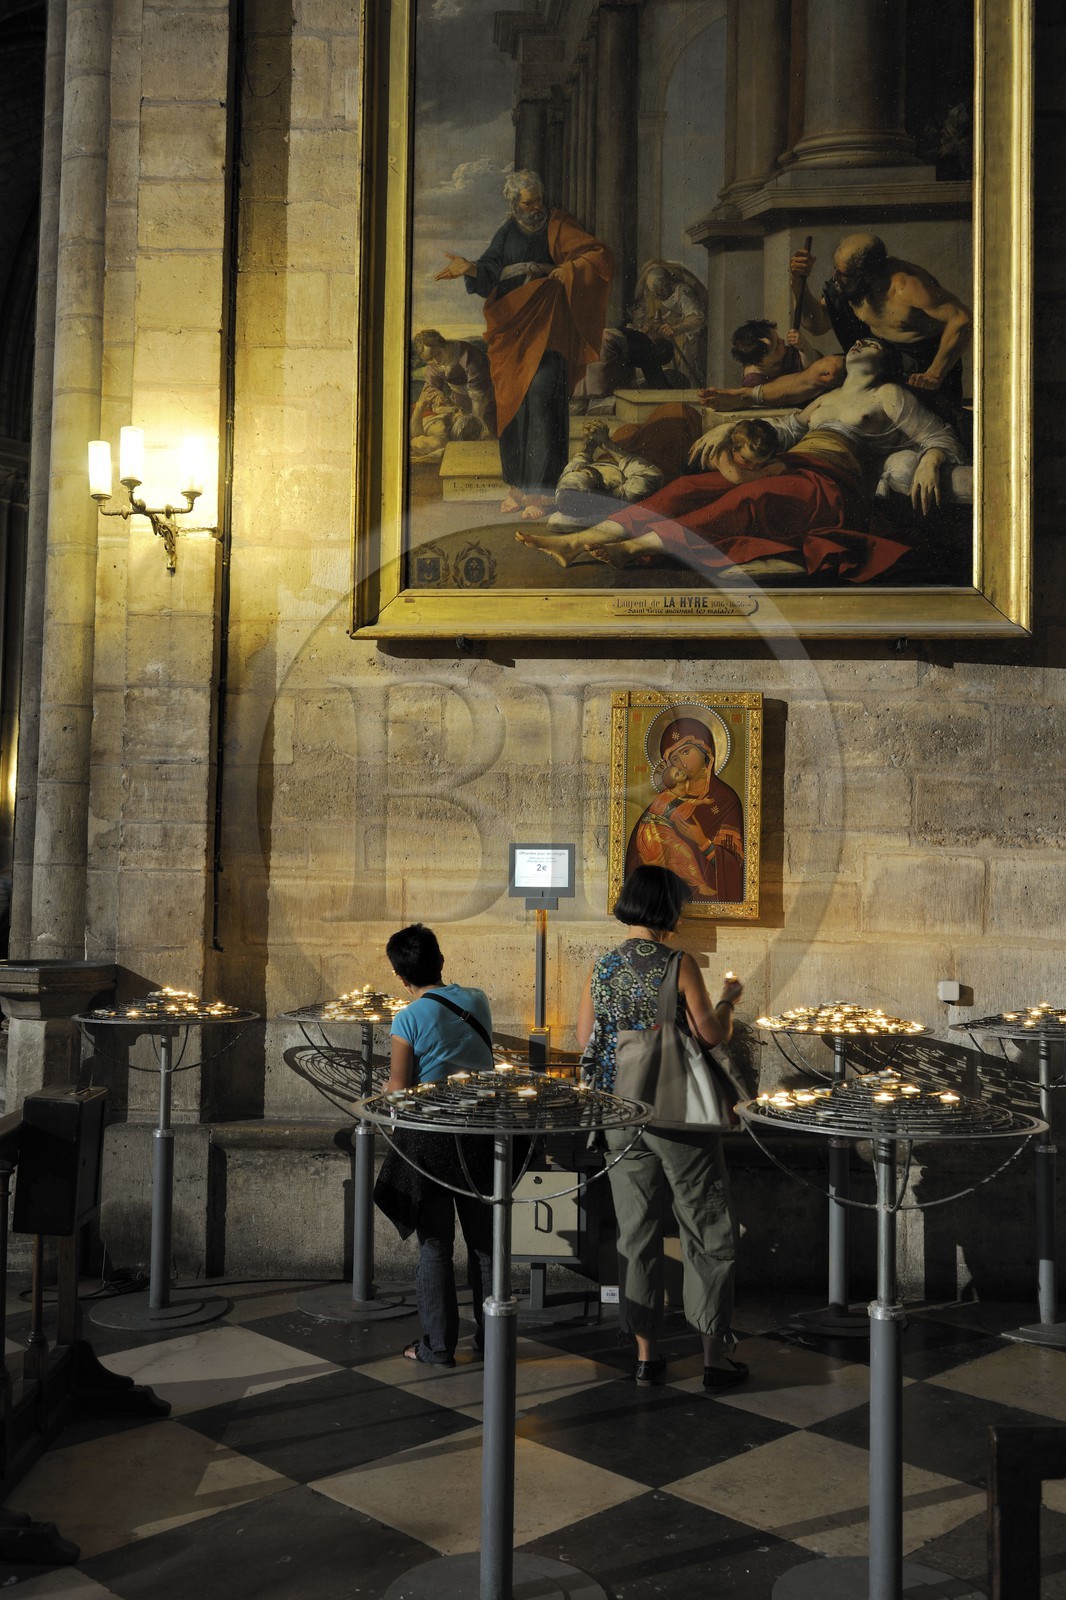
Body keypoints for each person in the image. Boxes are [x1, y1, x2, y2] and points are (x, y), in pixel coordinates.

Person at [516, 338, 969, 583]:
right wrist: (727, 429)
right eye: (855, 342)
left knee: (743, 502)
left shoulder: (888, 394)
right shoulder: (826, 398)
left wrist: (931, 459)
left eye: (870, 343)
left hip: (830, 485)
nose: (858, 343)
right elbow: (783, 430)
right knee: (686, 489)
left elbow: (939, 435)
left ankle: (633, 548)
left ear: (884, 360)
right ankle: (581, 541)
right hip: (791, 466)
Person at [576, 865, 746, 1388]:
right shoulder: (679, 962)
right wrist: (728, 1000)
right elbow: (711, 1036)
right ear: (667, 908)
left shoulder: (601, 966)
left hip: (620, 1116)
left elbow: (586, 1038)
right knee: (707, 1228)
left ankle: (647, 1356)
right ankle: (714, 1359)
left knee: (637, 1234)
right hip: (677, 1115)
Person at [434, 170, 612, 514]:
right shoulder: (506, 232)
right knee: (512, 404)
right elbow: (489, 270)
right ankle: (517, 486)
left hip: (549, 326)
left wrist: (570, 269)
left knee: (544, 397)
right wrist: (469, 268)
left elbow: (598, 256)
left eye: (539, 200)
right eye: (529, 202)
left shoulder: (558, 225)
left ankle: (542, 492)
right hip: (512, 328)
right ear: (515, 204)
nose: (536, 208)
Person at [378, 923, 494, 1367]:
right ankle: (493, 1337)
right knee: (484, 1244)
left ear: (400, 977)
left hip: (431, 1141)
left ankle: (438, 1345)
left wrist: (384, 1089)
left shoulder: (407, 1018)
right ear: (442, 961)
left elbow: (400, 1087)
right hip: (480, 1136)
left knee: (435, 1244)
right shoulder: (477, 1000)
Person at [789, 232, 972, 424]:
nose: (835, 277)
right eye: (836, 269)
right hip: (879, 359)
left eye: (843, 274)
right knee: (827, 370)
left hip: (918, 369)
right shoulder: (846, 287)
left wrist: (935, 372)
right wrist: (798, 283)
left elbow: (961, 319)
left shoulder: (907, 285)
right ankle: (755, 395)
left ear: (867, 275)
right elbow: (816, 325)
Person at [625, 718, 745, 901]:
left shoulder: (725, 800)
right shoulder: (664, 801)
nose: (681, 762)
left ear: (705, 749)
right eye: (674, 759)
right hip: (665, 903)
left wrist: (703, 842)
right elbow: (636, 854)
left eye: (686, 751)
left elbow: (735, 867)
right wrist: (646, 863)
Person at [699, 319, 844, 413]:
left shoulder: (786, 353)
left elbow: (815, 367)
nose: (782, 341)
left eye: (778, 337)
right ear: (761, 362)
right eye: (776, 346)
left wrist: (803, 348)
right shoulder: (753, 380)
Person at [630, 260, 708, 386]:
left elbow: (698, 318)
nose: (656, 294)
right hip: (678, 337)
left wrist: (675, 328)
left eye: (658, 290)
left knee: (688, 372)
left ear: (666, 284)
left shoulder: (683, 292)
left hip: (693, 337)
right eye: (653, 291)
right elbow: (671, 313)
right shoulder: (661, 296)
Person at [411, 328, 496, 436]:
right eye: (430, 359)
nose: (436, 361)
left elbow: (479, 393)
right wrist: (445, 408)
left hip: (484, 402)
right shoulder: (432, 368)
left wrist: (475, 423)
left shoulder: (467, 355)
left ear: (443, 344)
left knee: (482, 434)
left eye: (437, 354)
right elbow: (431, 394)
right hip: (460, 402)